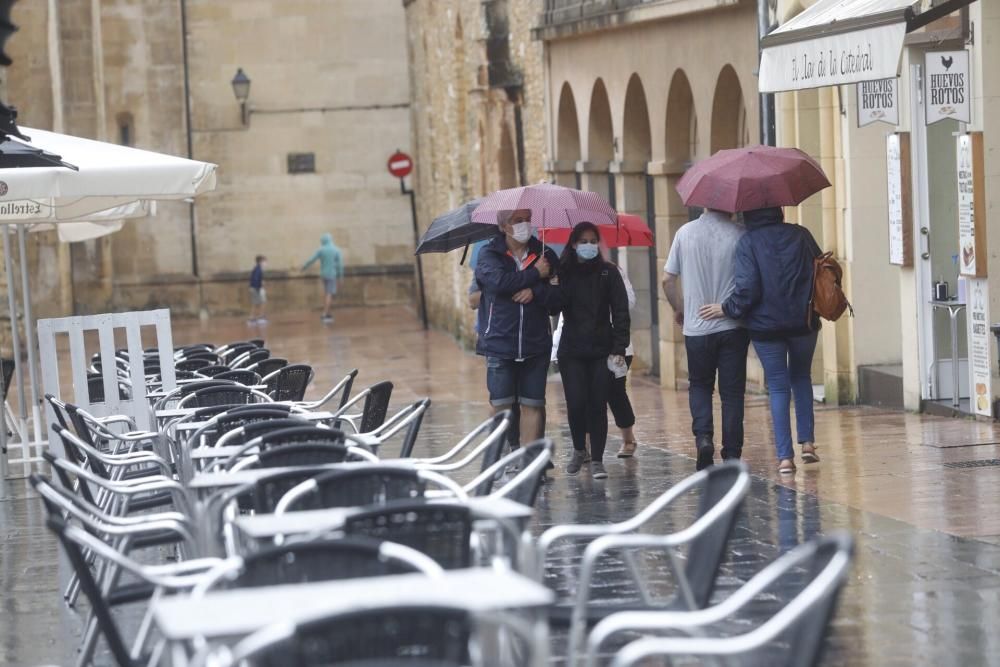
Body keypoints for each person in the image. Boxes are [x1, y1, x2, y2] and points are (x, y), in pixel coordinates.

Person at [699, 207, 821, 475]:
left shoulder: (748, 242)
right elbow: (820, 270)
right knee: (801, 377)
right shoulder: (801, 235)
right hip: (804, 321)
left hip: (766, 328)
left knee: (778, 387)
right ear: (779, 210)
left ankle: (785, 458)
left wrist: (726, 308)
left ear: (749, 215)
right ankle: (808, 443)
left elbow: (747, 288)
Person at [663, 208, 748, 471]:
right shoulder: (740, 235)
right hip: (732, 325)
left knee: (700, 385)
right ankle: (732, 453)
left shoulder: (684, 233)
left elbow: (667, 280)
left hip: (697, 328)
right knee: (732, 393)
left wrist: (679, 309)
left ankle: (703, 439)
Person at [475, 209, 561, 452]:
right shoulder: (489, 254)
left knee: (533, 404)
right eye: (518, 220)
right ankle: (500, 459)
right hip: (500, 344)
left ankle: (530, 462)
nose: (525, 225)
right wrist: (535, 274)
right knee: (501, 405)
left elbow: (557, 300)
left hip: (535, 344)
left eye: (527, 219)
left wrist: (536, 292)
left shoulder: (545, 255)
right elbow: (500, 283)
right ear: (504, 226)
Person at [555, 222, 630, 478]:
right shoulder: (563, 272)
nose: (589, 245)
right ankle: (579, 449)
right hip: (572, 349)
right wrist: (552, 283)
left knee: (598, 403)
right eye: (583, 241)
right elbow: (553, 307)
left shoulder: (608, 273)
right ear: (574, 244)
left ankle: (597, 459)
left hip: (601, 348)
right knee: (576, 402)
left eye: (593, 240)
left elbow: (620, 310)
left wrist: (619, 346)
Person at [302, 233, 344, 323]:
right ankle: (324, 314)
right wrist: (340, 276)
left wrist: (304, 267)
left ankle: (327, 312)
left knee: (327, 293)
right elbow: (340, 265)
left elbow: (311, 259)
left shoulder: (321, 250)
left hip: (323, 274)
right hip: (332, 274)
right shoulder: (336, 250)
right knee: (329, 294)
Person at [248, 255, 267, 325]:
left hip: (254, 288)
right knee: (262, 302)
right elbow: (256, 279)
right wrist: (259, 288)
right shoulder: (258, 269)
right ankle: (260, 317)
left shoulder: (257, 269)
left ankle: (252, 318)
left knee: (255, 303)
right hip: (256, 288)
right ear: (260, 261)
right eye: (264, 261)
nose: (265, 263)